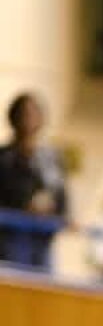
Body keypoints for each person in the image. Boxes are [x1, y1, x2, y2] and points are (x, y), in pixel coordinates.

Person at [0, 92, 69, 272]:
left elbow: (61, 194)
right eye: (24, 114)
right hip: (9, 238)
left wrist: (57, 210)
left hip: (42, 238)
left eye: (34, 113)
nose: (29, 119)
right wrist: (25, 205)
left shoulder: (51, 157)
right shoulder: (5, 157)